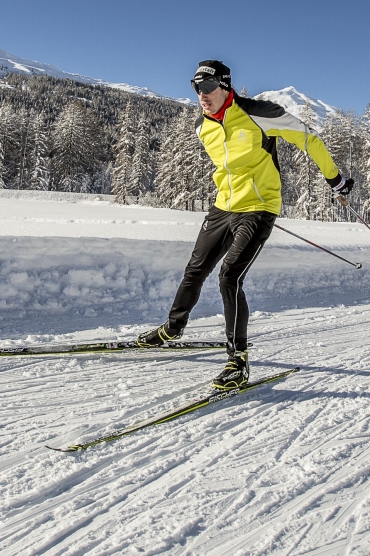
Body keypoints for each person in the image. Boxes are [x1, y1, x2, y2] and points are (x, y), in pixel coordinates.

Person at [137, 60, 353, 389]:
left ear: (226, 87)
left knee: (229, 276)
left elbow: (309, 140)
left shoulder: (258, 112)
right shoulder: (203, 126)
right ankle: (173, 327)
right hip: (223, 207)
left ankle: (237, 361)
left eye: (208, 87)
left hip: (259, 206)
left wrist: (335, 180)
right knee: (195, 269)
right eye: (196, 88)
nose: (202, 94)